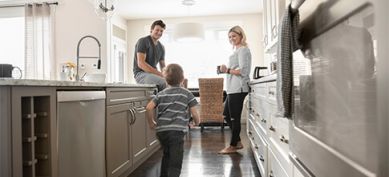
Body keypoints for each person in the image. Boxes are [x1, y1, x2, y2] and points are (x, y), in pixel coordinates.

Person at [146, 63, 200, 177]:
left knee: (167, 155)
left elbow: (149, 107)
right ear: (182, 79)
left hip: (162, 132)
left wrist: (151, 123)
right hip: (176, 131)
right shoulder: (186, 93)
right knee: (175, 162)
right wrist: (196, 122)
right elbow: (195, 112)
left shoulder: (161, 94)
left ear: (166, 80)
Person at [218, 25, 252, 154]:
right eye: (230, 37)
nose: (231, 38)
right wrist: (226, 69)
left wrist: (226, 70)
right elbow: (236, 69)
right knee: (226, 115)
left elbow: (243, 71)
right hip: (232, 88)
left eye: (234, 36)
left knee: (234, 118)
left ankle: (232, 145)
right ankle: (237, 142)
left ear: (241, 36)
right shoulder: (236, 50)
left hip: (239, 87)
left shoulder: (243, 50)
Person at [133, 20, 167, 91]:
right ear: (151, 30)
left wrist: (168, 75)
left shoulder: (162, 47)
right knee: (164, 83)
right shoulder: (143, 41)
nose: (159, 32)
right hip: (141, 74)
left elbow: (163, 67)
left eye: (161, 31)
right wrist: (161, 75)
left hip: (154, 74)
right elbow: (141, 64)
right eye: (157, 30)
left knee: (174, 84)